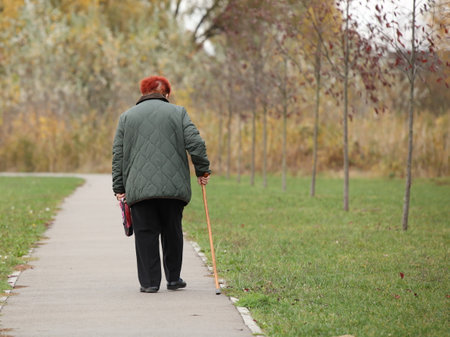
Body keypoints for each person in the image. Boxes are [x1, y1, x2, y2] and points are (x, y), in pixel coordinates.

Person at [112, 75, 210, 293]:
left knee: (145, 233)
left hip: (139, 189)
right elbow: (196, 143)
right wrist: (202, 170)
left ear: (144, 92)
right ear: (166, 93)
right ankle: (174, 278)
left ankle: (149, 283)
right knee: (172, 230)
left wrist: (119, 187)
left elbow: (118, 154)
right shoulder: (178, 113)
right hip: (173, 189)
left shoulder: (127, 117)